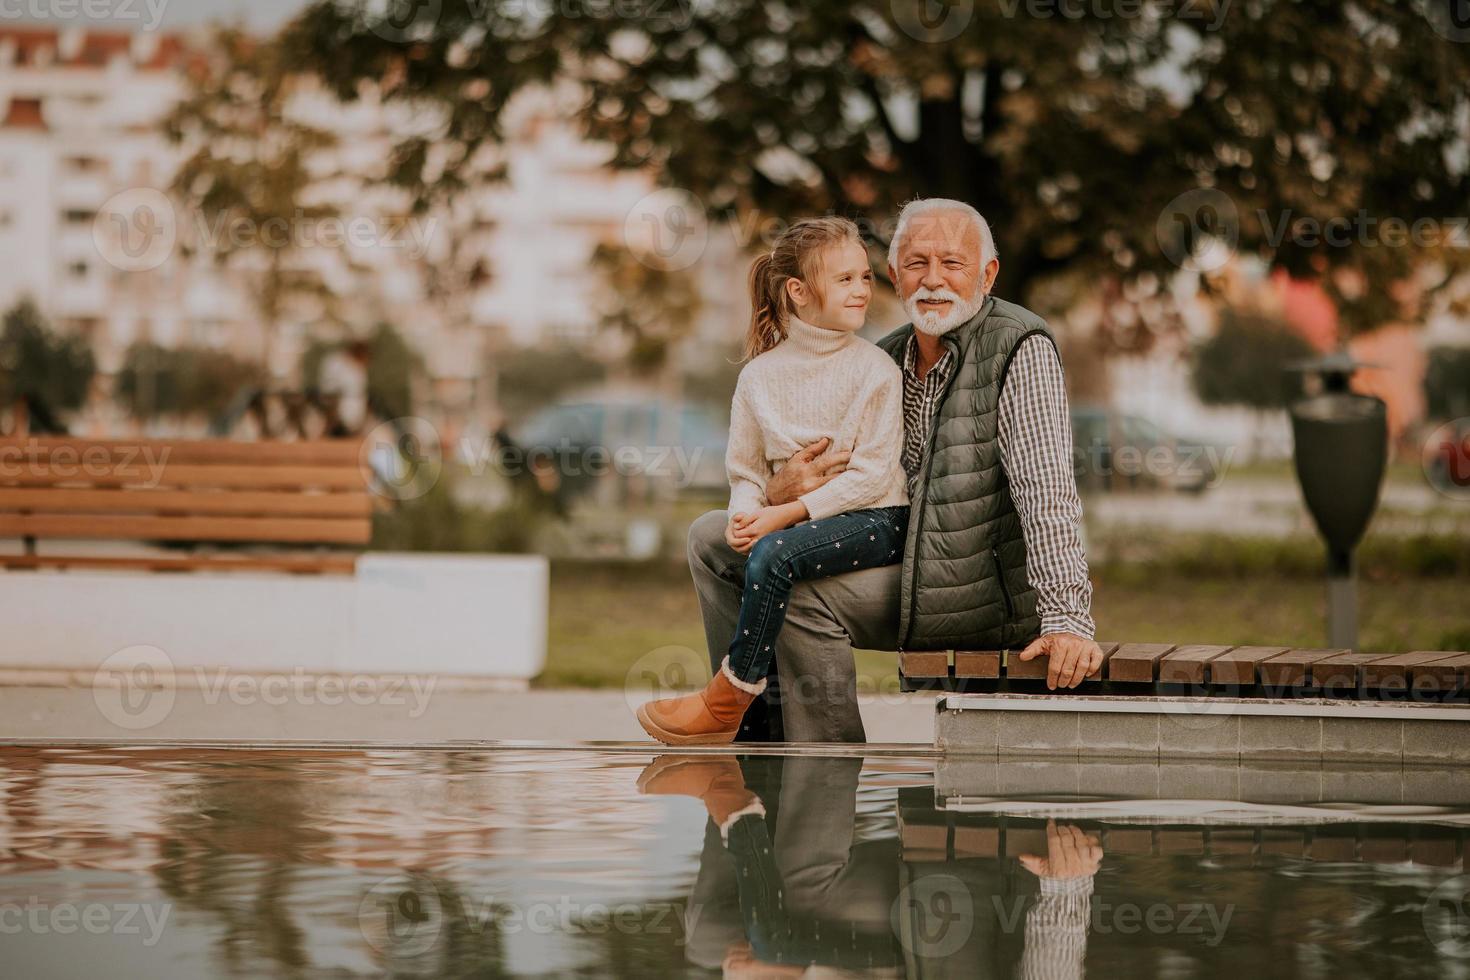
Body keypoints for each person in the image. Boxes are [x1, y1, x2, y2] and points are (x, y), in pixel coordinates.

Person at [685, 199, 1103, 743]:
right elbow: (832, 480)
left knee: (801, 590)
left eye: (952, 264)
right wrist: (776, 493)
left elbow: (1046, 493)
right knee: (710, 538)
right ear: (894, 275)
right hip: (895, 553)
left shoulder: (1019, 347)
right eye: (916, 263)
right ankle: (753, 735)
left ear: (987, 273)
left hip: (977, 586)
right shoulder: (882, 357)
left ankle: (824, 773)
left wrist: (1067, 619)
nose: (933, 281)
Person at [637, 217, 911, 744]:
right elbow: (745, 470)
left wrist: (780, 515)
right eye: (844, 279)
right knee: (721, 534)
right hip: (798, 521)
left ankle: (728, 697)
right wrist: (746, 514)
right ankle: (755, 728)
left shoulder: (876, 370)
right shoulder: (760, 378)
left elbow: (873, 475)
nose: (860, 290)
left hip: (879, 520)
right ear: (798, 292)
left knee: (775, 553)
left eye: (864, 278)